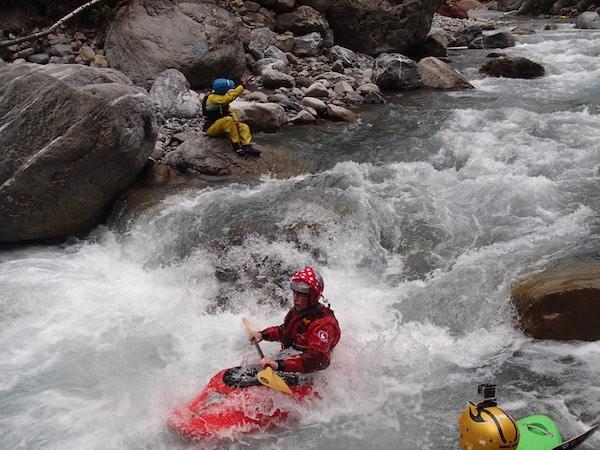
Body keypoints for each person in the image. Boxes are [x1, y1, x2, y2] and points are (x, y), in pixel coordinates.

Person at [248, 267, 341, 373]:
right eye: (295, 293)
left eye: (301, 294)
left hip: (310, 372)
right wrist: (262, 335)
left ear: (312, 296)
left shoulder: (324, 323)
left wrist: (279, 365)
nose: (295, 298)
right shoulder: (297, 311)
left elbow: (318, 359)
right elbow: (284, 331)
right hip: (292, 361)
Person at [202, 76, 261, 157]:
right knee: (228, 119)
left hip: (222, 126)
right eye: (227, 89)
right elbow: (228, 98)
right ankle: (236, 146)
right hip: (211, 128)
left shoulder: (220, 97)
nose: (228, 90)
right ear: (222, 90)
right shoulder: (212, 98)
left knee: (244, 126)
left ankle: (247, 146)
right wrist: (243, 86)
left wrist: (236, 122)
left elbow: (229, 111)